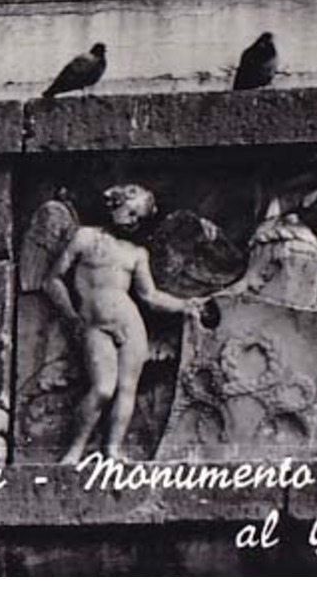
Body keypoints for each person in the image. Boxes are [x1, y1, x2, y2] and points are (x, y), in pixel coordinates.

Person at [43, 184, 194, 464]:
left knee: (127, 389)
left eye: (140, 218)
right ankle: (74, 451)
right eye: (132, 211)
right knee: (102, 388)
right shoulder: (85, 237)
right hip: (94, 323)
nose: (133, 220)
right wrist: (71, 317)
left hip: (131, 324)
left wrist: (187, 306)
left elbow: (150, 296)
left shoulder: (136, 253)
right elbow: (52, 280)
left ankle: (112, 450)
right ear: (117, 203)